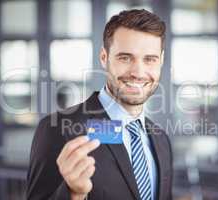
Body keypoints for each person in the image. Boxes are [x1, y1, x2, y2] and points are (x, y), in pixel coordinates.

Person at [27, 9, 173, 200]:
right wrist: (74, 194)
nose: (138, 72)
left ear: (160, 61)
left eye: (149, 59)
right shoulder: (58, 129)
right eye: (125, 58)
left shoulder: (161, 139)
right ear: (104, 58)